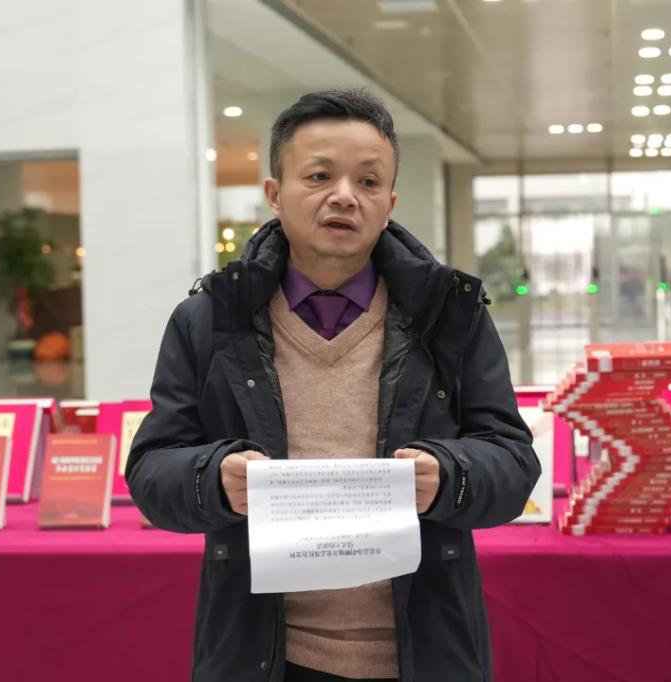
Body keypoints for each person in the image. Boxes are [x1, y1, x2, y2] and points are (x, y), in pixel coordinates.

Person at [126, 89, 540, 682]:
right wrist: (212, 478)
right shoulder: (209, 320)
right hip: (263, 655)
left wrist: (450, 474)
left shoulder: (450, 316)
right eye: (319, 176)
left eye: (368, 182)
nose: (345, 196)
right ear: (275, 194)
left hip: (425, 653)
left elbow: (514, 462)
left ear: (389, 204)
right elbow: (151, 468)